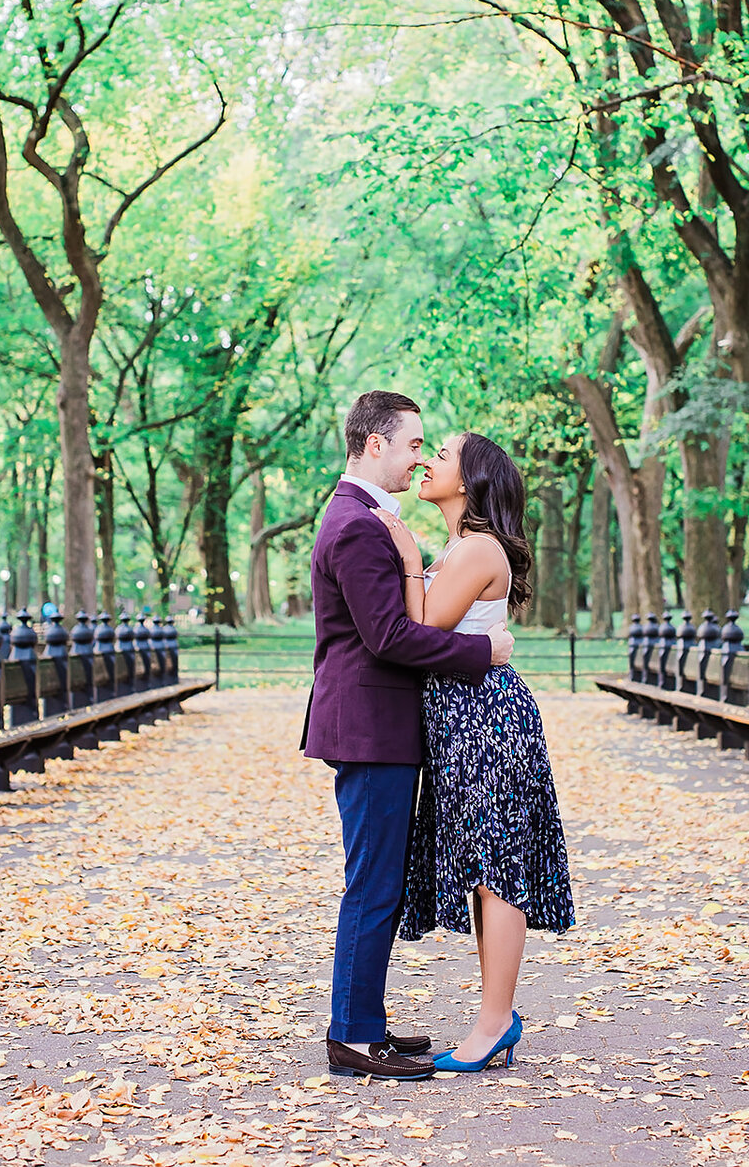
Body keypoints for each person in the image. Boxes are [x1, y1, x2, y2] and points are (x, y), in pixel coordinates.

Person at [301, 391, 515, 1082]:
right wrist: (485, 656)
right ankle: (355, 1038)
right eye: (414, 443)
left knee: (380, 884)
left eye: (428, 446)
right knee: (372, 887)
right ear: (375, 445)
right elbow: (390, 636)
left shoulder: (366, 520)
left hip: (380, 727)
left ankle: (366, 1024)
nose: (420, 455)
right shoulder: (358, 525)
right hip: (370, 729)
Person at [374, 432, 574, 1073]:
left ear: (469, 481)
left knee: (496, 875)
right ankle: (496, 1017)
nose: (428, 461)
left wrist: (407, 555)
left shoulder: (475, 549)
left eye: (444, 455)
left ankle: (494, 1023)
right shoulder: (463, 548)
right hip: (464, 719)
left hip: (485, 718)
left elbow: (421, 628)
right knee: (484, 874)